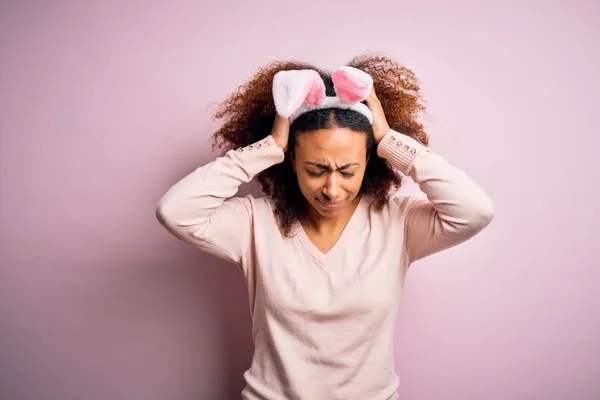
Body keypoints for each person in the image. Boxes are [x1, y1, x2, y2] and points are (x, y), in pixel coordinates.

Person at [156, 54, 494, 400]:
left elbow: (475, 211)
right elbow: (175, 212)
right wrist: (267, 148)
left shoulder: (399, 223)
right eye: (316, 170)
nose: (332, 190)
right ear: (292, 161)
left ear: (370, 161)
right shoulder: (254, 223)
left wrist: (390, 140)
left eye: (348, 171)